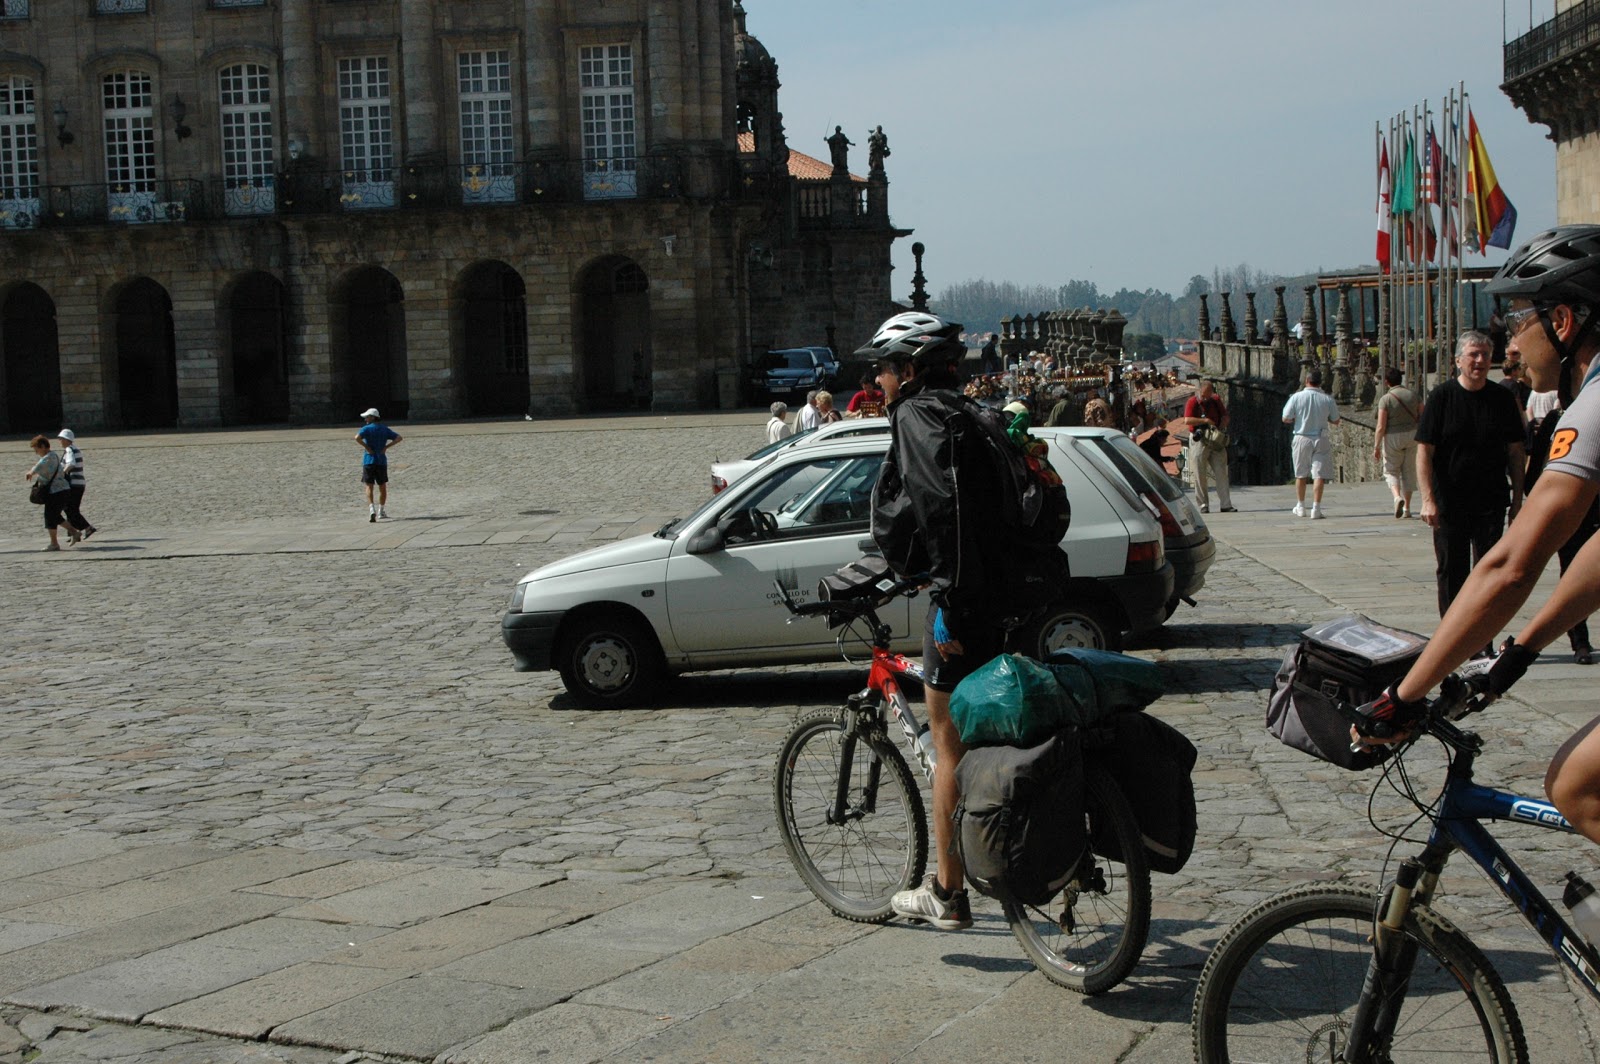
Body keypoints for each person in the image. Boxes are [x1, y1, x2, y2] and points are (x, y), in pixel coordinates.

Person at [1354, 226, 1600, 841]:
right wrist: (1521, 651)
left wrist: (1403, 697)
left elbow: (1510, 566)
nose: (1508, 343)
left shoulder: (1595, 406)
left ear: (1562, 321)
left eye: (1517, 320)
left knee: (1577, 785)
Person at [863, 310, 1064, 930]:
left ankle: (948, 895)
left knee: (947, 745)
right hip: (1017, 593)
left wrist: (945, 592)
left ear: (909, 369)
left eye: (884, 370)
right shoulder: (978, 413)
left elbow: (938, 506)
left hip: (966, 600)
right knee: (1005, 731)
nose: (878, 382)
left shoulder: (918, 415)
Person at [1415, 331, 1525, 621]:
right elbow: (1424, 451)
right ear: (1458, 361)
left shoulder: (1502, 398)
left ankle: (1482, 635)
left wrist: (1517, 501)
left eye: (1485, 355)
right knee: (1452, 570)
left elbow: (1516, 452)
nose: (1479, 361)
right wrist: (1427, 499)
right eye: (1473, 355)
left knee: (1490, 570)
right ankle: (1451, 633)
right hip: (1449, 501)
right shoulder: (1442, 397)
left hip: (1490, 499)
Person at [1280, 369, 1341, 518]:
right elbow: (1336, 420)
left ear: (1306, 381)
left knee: (1301, 474)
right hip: (1321, 438)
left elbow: (1286, 417)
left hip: (1302, 437)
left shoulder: (1296, 397)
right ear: (1320, 382)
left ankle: (1301, 506)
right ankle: (1316, 508)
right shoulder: (1327, 399)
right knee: (1319, 475)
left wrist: (1297, 419)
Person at [1372, 367, 1422, 518]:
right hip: (1412, 435)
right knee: (1409, 470)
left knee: (1391, 470)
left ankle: (1397, 497)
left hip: (1393, 436)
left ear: (1386, 382)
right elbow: (1423, 414)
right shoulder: (1413, 395)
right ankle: (1407, 508)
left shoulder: (1386, 399)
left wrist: (1376, 446)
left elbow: (1381, 426)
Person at [1185, 380, 1235, 514]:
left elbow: (1225, 416)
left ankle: (1226, 504)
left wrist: (1222, 425)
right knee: (1199, 473)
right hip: (1199, 440)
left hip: (1215, 439)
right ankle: (1203, 505)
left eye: (1208, 395)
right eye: (1203, 395)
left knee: (1221, 472)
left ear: (1212, 392)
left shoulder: (1215, 400)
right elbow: (1187, 420)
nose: (1206, 398)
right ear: (1199, 391)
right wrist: (1205, 421)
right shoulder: (1192, 402)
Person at [24, 434, 71, 551]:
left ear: (43, 446)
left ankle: (61, 540)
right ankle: (59, 540)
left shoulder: (49, 457)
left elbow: (39, 465)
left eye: (37, 449)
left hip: (56, 491)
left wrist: (30, 473)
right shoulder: (52, 455)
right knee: (52, 516)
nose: (36, 453)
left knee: (51, 516)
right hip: (59, 490)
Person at [354, 407, 402, 522]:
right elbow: (399, 438)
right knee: (382, 486)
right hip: (381, 461)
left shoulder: (366, 429)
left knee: (369, 486)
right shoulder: (384, 429)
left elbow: (357, 438)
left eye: (367, 417)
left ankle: (372, 509)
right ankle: (381, 510)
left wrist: (367, 448)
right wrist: (386, 447)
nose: (365, 419)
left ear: (372, 417)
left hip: (368, 460)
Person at [55, 428, 96, 543]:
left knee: (70, 509)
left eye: (61, 439)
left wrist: (62, 474)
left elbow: (71, 463)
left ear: (66, 439)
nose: (60, 441)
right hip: (79, 484)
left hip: (74, 484)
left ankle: (87, 528)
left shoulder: (69, 450)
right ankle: (73, 533)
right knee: (71, 508)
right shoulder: (74, 449)